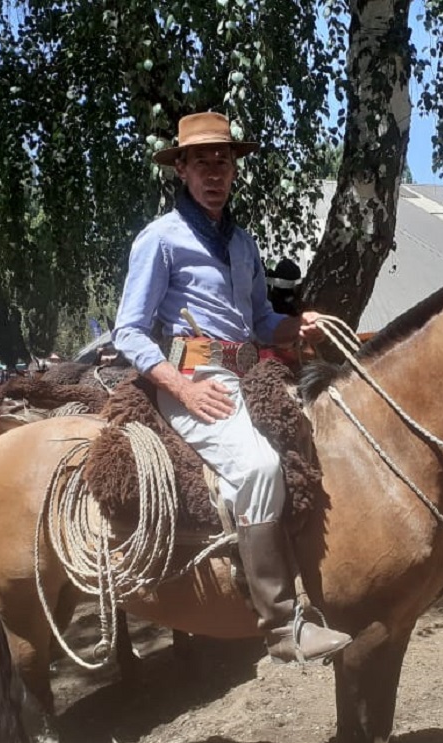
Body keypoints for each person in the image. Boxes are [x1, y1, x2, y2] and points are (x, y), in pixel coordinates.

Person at [112, 111, 350, 664]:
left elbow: (262, 320)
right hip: (193, 378)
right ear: (182, 170)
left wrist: (299, 325)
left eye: (223, 160)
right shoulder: (160, 240)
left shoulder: (243, 244)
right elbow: (128, 328)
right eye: (202, 161)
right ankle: (279, 623)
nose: (214, 171)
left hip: (248, 375)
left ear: (235, 169)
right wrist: (181, 387)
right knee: (260, 468)